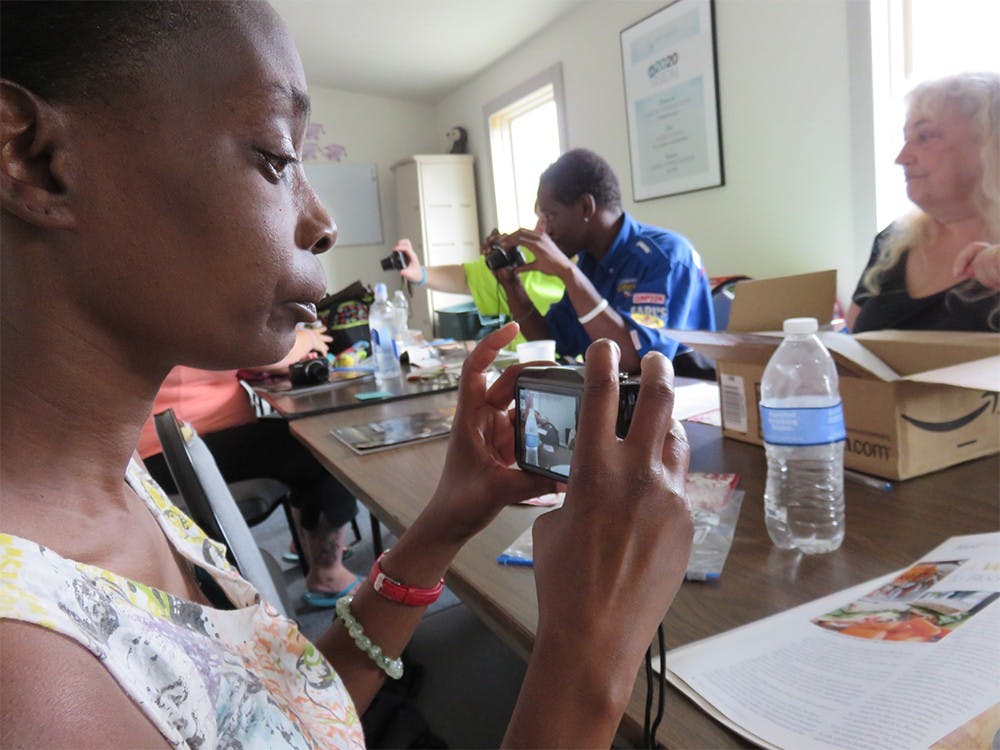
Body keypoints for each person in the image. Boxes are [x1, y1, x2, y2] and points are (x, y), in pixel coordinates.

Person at [0, 3, 693, 748]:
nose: (323, 221)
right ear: (38, 161)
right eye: (274, 155)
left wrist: (442, 524)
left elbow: (267, 714)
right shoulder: (32, 685)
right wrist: (589, 657)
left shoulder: (109, 485)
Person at [138, 327, 363, 608]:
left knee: (298, 438)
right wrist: (310, 338)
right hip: (174, 449)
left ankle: (310, 548)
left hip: (176, 441)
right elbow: (267, 351)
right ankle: (327, 575)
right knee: (323, 444)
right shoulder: (191, 304)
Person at [489, 148, 716, 373]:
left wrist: (568, 273)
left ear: (586, 207)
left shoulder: (666, 257)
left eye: (549, 216)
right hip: (615, 398)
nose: (543, 230)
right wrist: (511, 284)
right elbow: (551, 340)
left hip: (680, 398)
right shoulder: (589, 263)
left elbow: (635, 362)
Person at [847, 72, 1000, 333]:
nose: (902, 157)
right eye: (905, 138)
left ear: (989, 145)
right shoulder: (892, 243)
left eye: (925, 137)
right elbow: (850, 350)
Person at [392, 224, 565, 347]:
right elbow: (467, 279)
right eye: (539, 217)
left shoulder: (587, 273)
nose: (540, 229)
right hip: (519, 371)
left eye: (550, 216)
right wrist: (419, 274)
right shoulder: (526, 257)